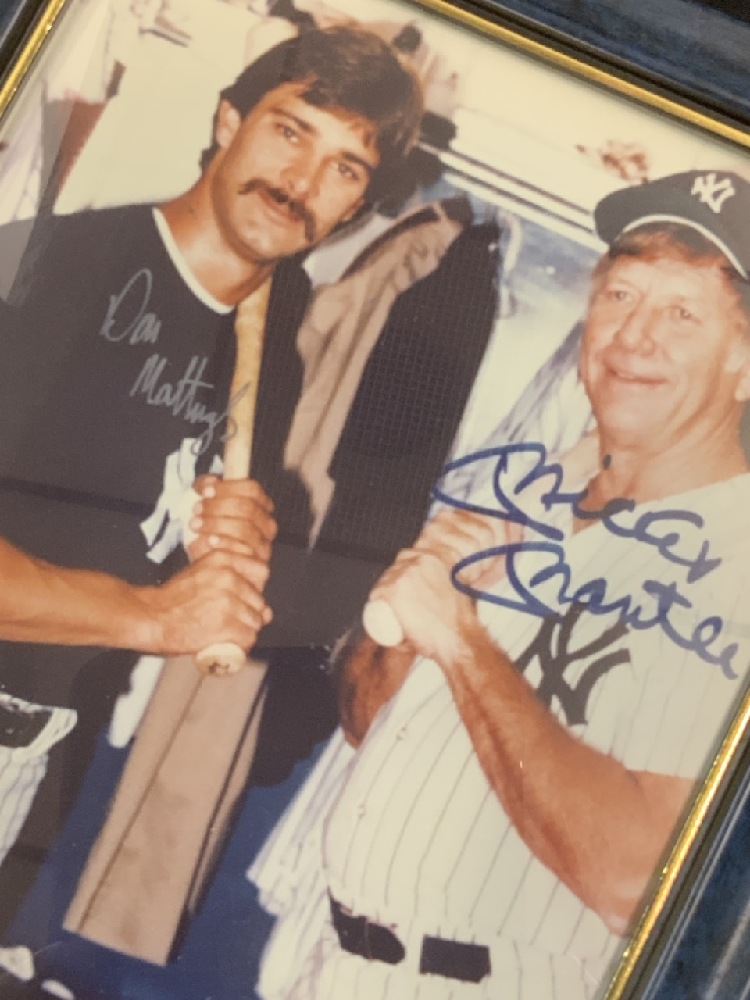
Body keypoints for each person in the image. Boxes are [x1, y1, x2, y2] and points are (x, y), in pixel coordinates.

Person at [251, 169, 750, 999]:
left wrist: (460, 640)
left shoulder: (733, 567)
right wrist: (406, 624)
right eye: (621, 294)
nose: (633, 336)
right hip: (331, 963)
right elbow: (365, 717)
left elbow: (636, 882)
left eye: (683, 314)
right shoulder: (527, 488)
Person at [0, 23, 422, 934]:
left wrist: (206, 543)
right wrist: (153, 616)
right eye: (290, 130)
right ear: (228, 120)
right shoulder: (44, 265)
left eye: (345, 168)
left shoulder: (269, 350)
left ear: (357, 207)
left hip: (29, 746)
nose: (301, 181)